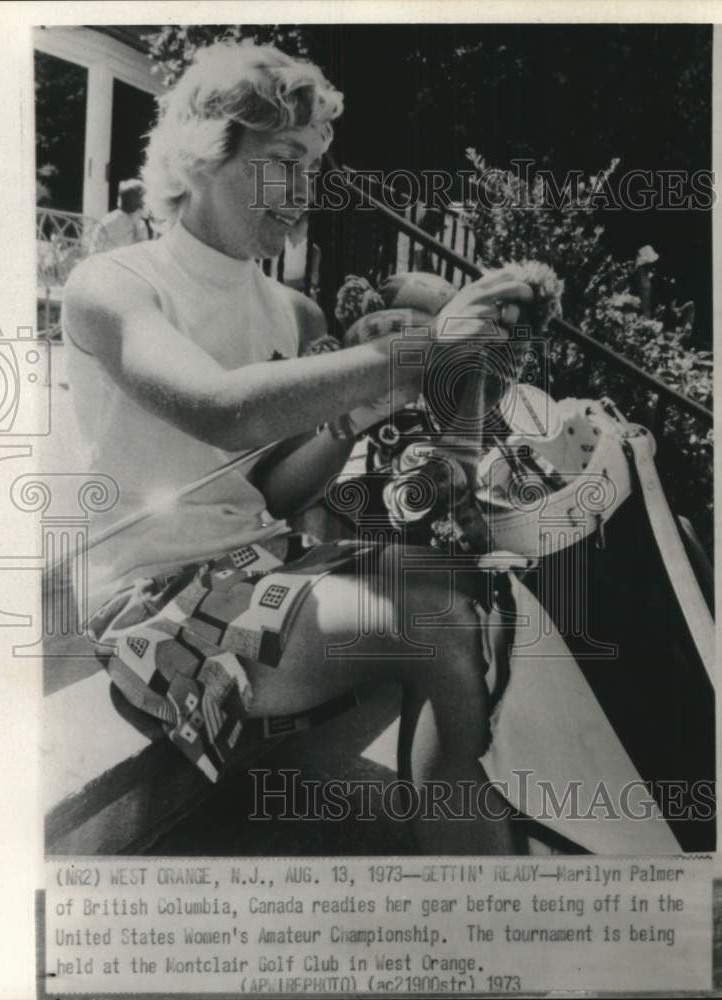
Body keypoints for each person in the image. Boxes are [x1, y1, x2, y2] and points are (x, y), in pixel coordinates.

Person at [62, 40, 533, 853]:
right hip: (151, 601)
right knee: (433, 618)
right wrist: (416, 351)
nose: (302, 190)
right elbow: (221, 412)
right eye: (284, 158)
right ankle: (475, 888)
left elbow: (272, 492)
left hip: (260, 570)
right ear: (206, 153)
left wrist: (358, 415)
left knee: (471, 591)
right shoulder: (115, 285)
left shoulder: (297, 316)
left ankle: (467, 873)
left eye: (313, 166)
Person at [90, 178, 151, 252]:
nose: (151, 206)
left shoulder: (140, 224)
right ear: (139, 203)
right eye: (149, 201)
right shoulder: (114, 224)